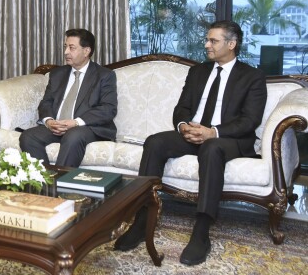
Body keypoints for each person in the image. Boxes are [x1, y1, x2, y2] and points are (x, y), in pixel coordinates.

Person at [114, 20, 267, 266]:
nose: (207, 44)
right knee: (155, 142)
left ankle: (202, 230)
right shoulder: (198, 71)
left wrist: (212, 132)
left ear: (231, 44)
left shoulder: (252, 77)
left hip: (227, 139)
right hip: (193, 132)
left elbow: (249, 121)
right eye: (207, 39)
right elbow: (182, 107)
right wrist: (184, 126)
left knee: (211, 147)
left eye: (213, 41)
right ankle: (142, 218)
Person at [19, 28, 118, 167]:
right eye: (65, 47)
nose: (66, 52)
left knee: (74, 136)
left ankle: (60, 183)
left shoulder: (104, 76)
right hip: (57, 127)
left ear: (86, 51)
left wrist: (75, 122)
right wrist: (49, 121)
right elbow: (46, 102)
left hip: (88, 128)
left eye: (72, 48)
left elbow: (108, 109)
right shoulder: (57, 74)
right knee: (28, 137)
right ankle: (44, 181)